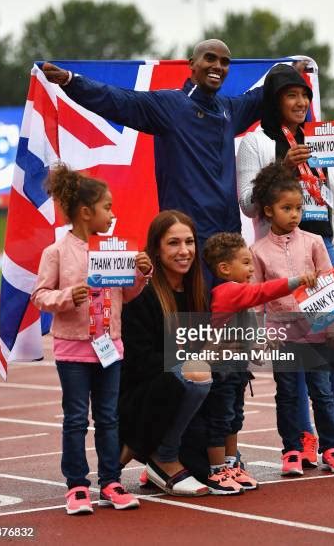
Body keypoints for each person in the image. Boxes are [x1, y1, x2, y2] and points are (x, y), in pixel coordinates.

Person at [236, 62, 334, 464]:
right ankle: (306, 436)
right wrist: (283, 168)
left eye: (305, 95)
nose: (301, 102)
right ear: (275, 100)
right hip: (280, 252)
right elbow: (247, 202)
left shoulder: (321, 139)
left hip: (321, 247)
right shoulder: (256, 142)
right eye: (292, 94)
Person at [41, 40, 263, 263]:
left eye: (225, 62)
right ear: (192, 64)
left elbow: (264, 94)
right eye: (210, 58)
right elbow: (118, 100)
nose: (218, 66)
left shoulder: (229, 110)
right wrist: (72, 82)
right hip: (189, 239)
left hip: (230, 238)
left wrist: (294, 70)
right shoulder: (171, 105)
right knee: (195, 299)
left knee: (233, 298)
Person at [31, 163, 153, 515]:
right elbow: (40, 295)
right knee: (75, 419)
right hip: (72, 349)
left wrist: (141, 273)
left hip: (110, 346)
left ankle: (111, 482)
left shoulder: (113, 252)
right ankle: (77, 485)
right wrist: (69, 295)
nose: (112, 214)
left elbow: (125, 295)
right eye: (107, 207)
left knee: (109, 417)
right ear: (86, 213)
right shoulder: (56, 252)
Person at [250, 162, 334, 475]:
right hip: (281, 336)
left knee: (322, 392)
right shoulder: (257, 251)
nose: (294, 214)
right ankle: (291, 451)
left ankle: (331, 448)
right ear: (269, 211)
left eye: (298, 207)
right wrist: (257, 336)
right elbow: (256, 299)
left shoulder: (314, 242)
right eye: (286, 208)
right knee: (288, 394)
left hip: (317, 333)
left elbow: (329, 286)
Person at [201, 232, 318, 493]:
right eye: (245, 262)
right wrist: (297, 280)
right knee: (220, 419)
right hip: (221, 369)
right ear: (224, 268)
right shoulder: (228, 291)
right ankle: (217, 471)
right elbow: (262, 292)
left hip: (237, 369)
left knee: (234, 418)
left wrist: (261, 342)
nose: (251, 268)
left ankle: (231, 464)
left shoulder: (238, 294)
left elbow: (244, 327)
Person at [119, 210, 213, 496]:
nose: (184, 251)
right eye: (173, 243)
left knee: (201, 469)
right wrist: (185, 362)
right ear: (156, 250)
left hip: (179, 390)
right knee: (198, 370)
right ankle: (163, 456)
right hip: (141, 392)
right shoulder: (142, 293)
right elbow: (137, 361)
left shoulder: (196, 291)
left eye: (189, 242)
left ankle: (142, 452)